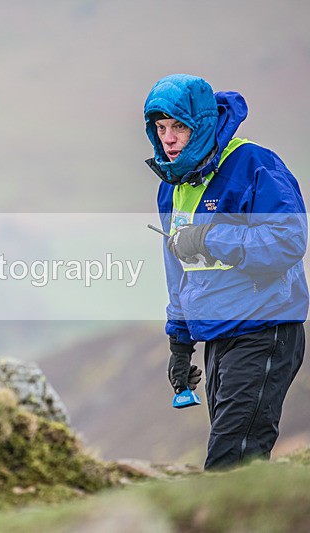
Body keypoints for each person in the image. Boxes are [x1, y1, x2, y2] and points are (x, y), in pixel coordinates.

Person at [144, 74, 308, 470]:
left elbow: (288, 241)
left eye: (178, 126)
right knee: (234, 462)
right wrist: (180, 345)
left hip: (264, 329)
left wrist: (208, 238)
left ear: (201, 124)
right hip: (218, 335)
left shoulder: (254, 164)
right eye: (160, 128)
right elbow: (180, 273)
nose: (168, 138)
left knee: (229, 463)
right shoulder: (173, 185)